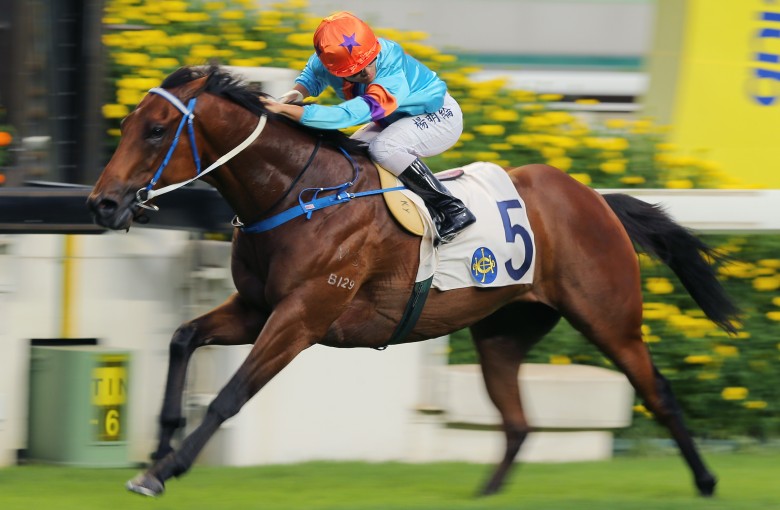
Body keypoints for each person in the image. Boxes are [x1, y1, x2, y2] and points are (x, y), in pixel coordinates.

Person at [262, 11, 475, 243]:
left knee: (383, 148)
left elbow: (348, 116)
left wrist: (288, 110)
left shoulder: (392, 67)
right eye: (354, 72)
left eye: (369, 61)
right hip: (393, 119)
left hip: (438, 116)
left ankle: (453, 209)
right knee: (348, 157)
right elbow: (312, 76)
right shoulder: (326, 62)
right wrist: (293, 95)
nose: (367, 72)